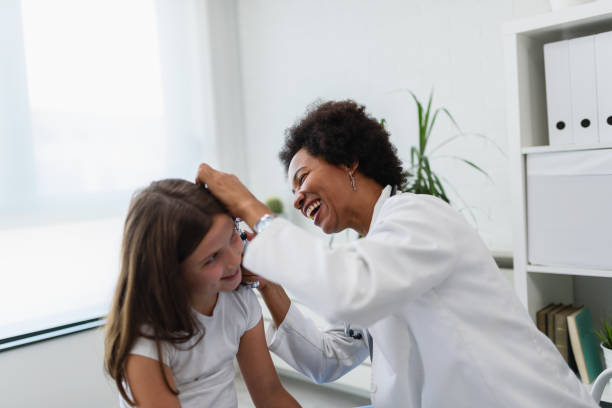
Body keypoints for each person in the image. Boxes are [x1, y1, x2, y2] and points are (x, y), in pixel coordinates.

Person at [196, 100, 599, 408]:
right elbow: (325, 360)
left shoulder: (419, 216)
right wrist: (267, 285)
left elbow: (349, 290)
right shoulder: (375, 252)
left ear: (348, 160)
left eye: (303, 178)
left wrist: (251, 208)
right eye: (292, 192)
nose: (298, 199)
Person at [103, 179, 301, 408]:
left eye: (232, 238)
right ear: (170, 271)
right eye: (211, 258)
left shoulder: (238, 299)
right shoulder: (146, 337)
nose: (233, 261)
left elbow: (270, 395)